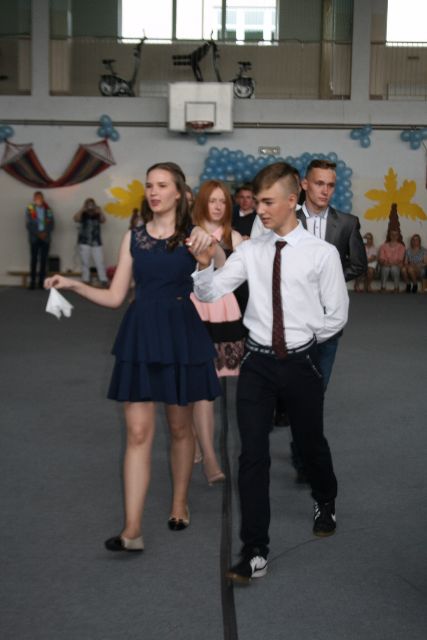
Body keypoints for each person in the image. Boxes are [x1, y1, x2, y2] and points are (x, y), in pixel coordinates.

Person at [45, 162, 220, 553]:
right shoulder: (134, 237)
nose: (153, 191)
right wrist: (72, 283)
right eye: (149, 185)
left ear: (180, 193)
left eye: (162, 185)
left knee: (180, 428)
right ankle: (132, 529)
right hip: (140, 335)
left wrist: (210, 253)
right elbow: (114, 296)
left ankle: (179, 502)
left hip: (179, 333)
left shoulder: (194, 236)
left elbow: (214, 280)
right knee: (138, 433)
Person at [190, 162, 349, 584]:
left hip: (301, 362)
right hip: (257, 364)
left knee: (310, 443)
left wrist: (302, 341)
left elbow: (337, 315)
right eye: (256, 201)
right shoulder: (250, 251)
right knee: (252, 454)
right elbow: (210, 292)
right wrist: (204, 265)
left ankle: (326, 497)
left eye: (266, 202)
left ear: (292, 200)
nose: (257, 209)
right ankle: (255, 550)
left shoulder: (321, 254)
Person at [190, 180, 245, 485]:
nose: (218, 206)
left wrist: (218, 250)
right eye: (212, 200)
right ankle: (207, 453)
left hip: (223, 310)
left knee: (209, 385)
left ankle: (202, 445)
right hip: (194, 311)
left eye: (222, 201)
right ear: (202, 203)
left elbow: (231, 276)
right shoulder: (189, 233)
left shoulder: (234, 236)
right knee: (199, 384)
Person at [73, 198, 108, 287]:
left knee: (100, 261)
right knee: (85, 262)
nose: (90, 206)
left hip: (96, 241)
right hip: (84, 241)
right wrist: (82, 209)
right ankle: (86, 279)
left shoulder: (97, 213)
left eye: (92, 204)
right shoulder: (83, 213)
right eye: (88, 204)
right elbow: (75, 218)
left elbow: (103, 220)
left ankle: (103, 279)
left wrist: (100, 212)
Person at [25, 191, 54, 290]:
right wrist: (38, 233)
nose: (38, 199)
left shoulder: (48, 209)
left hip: (45, 238)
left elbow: (52, 224)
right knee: (34, 260)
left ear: (43, 198)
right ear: (34, 199)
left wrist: (45, 233)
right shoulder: (30, 209)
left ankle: (42, 282)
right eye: (36, 197)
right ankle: (32, 282)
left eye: (40, 197)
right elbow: (28, 224)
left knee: (43, 260)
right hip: (34, 238)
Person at [378, 229, 405, 293]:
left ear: (398, 236)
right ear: (389, 236)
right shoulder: (383, 246)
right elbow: (381, 259)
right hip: (385, 264)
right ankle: (383, 287)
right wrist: (385, 263)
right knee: (385, 268)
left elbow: (400, 259)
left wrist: (390, 264)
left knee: (394, 268)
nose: (394, 236)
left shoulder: (401, 247)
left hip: (396, 265)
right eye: (392, 234)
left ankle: (396, 287)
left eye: (396, 235)